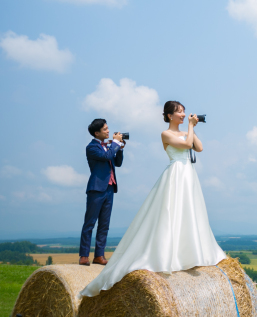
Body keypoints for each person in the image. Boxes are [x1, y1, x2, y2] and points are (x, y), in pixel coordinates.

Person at [81, 101, 226, 297]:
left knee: (190, 212)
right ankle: (87, 256)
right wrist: (190, 129)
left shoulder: (187, 132)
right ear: (169, 116)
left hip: (189, 176)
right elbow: (185, 145)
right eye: (180, 112)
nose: (184, 115)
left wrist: (191, 129)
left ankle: (190, 252)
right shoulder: (165, 134)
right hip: (176, 174)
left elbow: (198, 148)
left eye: (184, 112)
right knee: (169, 213)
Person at [79, 118, 125, 266]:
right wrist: (115, 144)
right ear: (96, 133)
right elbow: (106, 157)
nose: (108, 131)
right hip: (96, 189)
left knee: (104, 224)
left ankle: (99, 255)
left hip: (110, 188)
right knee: (90, 223)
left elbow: (117, 163)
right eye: (105, 129)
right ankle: (84, 256)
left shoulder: (109, 147)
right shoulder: (91, 147)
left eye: (107, 128)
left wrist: (120, 148)